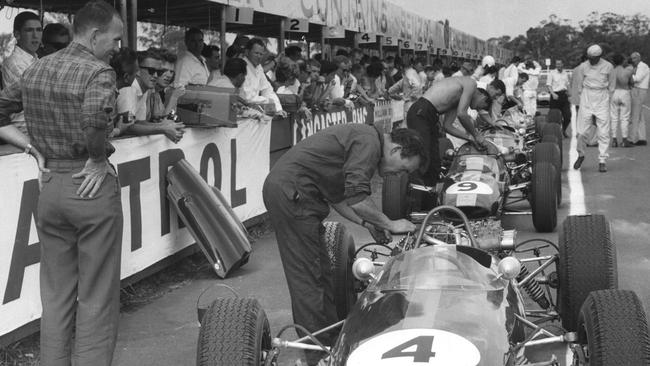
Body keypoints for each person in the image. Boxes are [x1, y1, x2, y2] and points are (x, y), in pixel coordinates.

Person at [0, 1, 124, 364]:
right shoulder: (99, 72)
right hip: (89, 185)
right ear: (95, 34)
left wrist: (31, 149)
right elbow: (94, 121)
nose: (117, 47)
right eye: (115, 39)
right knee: (97, 295)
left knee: (54, 294)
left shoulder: (36, 69)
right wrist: (99, 160)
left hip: (49, 183)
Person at [263, 125, 424, 365]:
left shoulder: (364, 139)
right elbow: (358, 198)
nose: (396, 176)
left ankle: (332, 340)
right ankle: (318, 355)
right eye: (401, 169)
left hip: (298, 194)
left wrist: (366, 222)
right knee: (308, 278)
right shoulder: (369, 142)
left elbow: (339, 197)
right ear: (396, 149)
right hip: (292, 195)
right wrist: (390, 223)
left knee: (323, 272)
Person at [406, 76, 492, 189]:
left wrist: (470, 138)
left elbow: (448, 126)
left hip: (429, 116)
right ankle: (412, 195)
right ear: (482, 96)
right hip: (421, 112)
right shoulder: (471, 83)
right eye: (481, 106)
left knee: (434, 163)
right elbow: (462, 114)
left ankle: (429, 198)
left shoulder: (456, 100)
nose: (476, 109)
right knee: (423, 157)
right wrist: (476, 135)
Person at [117, 50, 185, 142]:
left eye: (159, 72)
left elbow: (140, 122)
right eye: (151, 71)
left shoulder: (147, 89)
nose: (156, 75)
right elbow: (128, 127)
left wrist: (165, 126)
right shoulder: (130, 88)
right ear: (138, 71)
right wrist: (163, 128)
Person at [572, 44, 615, 173]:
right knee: (581, 132)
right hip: (587, 96)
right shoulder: (583, 66)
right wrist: (581, 101)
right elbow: (579, 86)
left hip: (602, 96)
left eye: (593, 58)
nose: (591, 60)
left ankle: (602, 160)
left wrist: (609, 102)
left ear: (599, 56)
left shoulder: (608, 66)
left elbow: (612, 86)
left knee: (603, 131)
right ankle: (581, 154)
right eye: (589, 57)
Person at [2, 11, 42, 134]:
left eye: (39, 30)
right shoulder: (15, 63)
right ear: (17, 34)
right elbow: (40, 97)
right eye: (29, 30)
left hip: (37, 127)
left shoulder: (35, 59)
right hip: (25, 130)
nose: (35, 35)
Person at [240, 38, 286, 117]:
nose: (259, 56)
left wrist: (278, 109)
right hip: (242, 111)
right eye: (256, 53)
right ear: (247, 52)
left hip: (255, 110)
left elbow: (267, 89)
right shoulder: (241, 65)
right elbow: (247, 98)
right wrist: (267, 101)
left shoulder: (258, 68)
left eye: (261, 54)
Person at [609, 54, 634, 148]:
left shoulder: (611, 71)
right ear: (622, 61)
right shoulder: (627, 71)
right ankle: (624, 140)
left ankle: (614, 140)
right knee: (624, 117)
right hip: (624, 92)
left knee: (614, 117)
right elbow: (632, 83)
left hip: (614, 92)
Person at [547, 59, 572, 136]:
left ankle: (563, 130)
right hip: (555, 96)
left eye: (559, 64)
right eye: (557, 64)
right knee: (555, 117)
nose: (558, 65)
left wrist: (570, 94)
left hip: (564, 96)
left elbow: (567, 84)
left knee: (568, 116)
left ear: (562, 64)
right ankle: (555, 132)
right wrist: (553, 94)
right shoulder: (552, 73)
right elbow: (548, 85)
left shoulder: (565, 73)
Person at [630, 52, 649, 145]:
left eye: (634, 58)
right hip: (638, 90)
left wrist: (628, 74)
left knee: (635, 115)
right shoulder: (638, 67)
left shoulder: (642, 66)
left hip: (640, 90)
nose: (633, 60)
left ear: (639, 58)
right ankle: (642, 138)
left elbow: (637, 78)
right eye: (632, 58)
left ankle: (632, 139)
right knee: (640, 115)